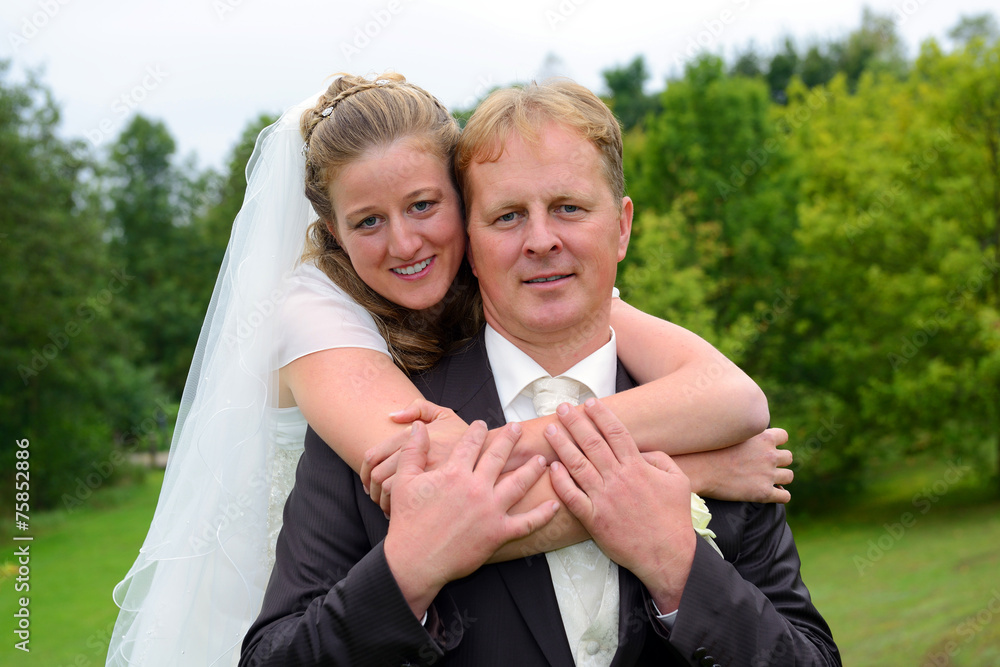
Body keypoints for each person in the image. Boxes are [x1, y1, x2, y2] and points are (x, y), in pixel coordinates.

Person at [108, 74, 789, 667]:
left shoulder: (532, 269)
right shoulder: (313, 317)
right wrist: (689, 476)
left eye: (424, 206)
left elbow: (732, 395)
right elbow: (448, 495)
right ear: (332, 232)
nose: (405, 241)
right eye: (368, 220)